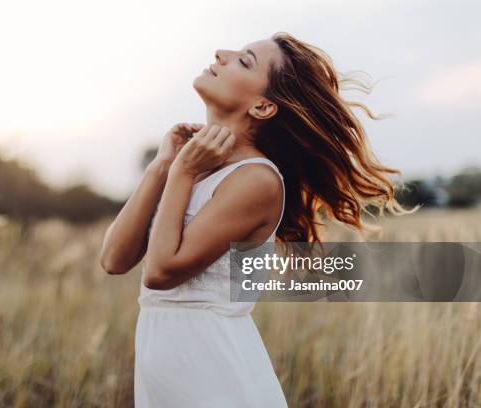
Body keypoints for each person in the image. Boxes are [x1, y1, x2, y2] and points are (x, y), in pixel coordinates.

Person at [100, 31, 413, 407]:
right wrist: (162, 166)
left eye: (244, 60)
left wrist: (182, 170)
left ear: (263, 107)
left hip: (212, 371)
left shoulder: (256, 180)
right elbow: (114, 260)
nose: (221, 53)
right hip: (166, 366)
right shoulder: (191, 168)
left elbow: (161, 273)